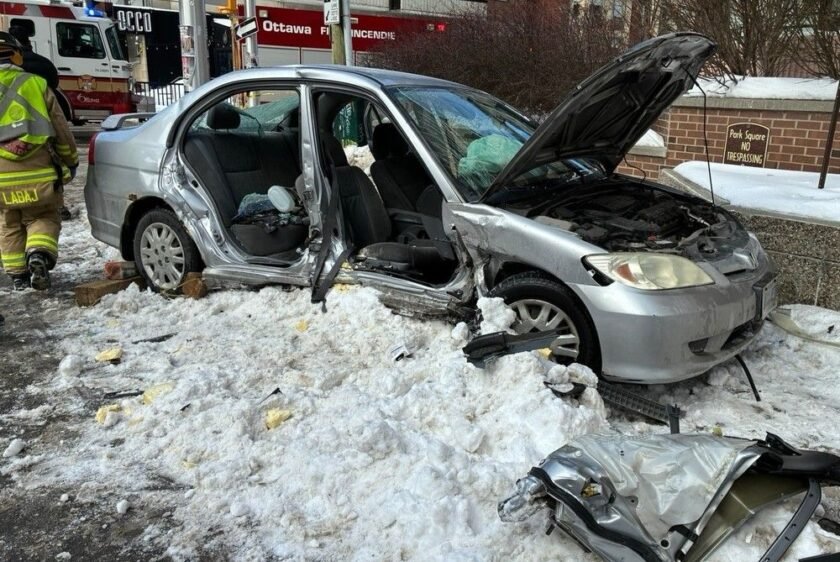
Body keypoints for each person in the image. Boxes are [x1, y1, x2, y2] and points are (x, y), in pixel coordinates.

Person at [0, 31, 78, 291]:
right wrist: (70, 160)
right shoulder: (37, 84)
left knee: (9, 222)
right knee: (43, 216)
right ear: (17, 55)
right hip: (39, 171)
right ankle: (38, 254)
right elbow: (60, 128)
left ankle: (18, 277)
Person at [7, 24, 72, 221]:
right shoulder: (43, 65)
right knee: (49, 172)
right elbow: (58, 113)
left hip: (6, 138)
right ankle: (58, 206)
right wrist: (70, 159)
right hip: (41, 133)